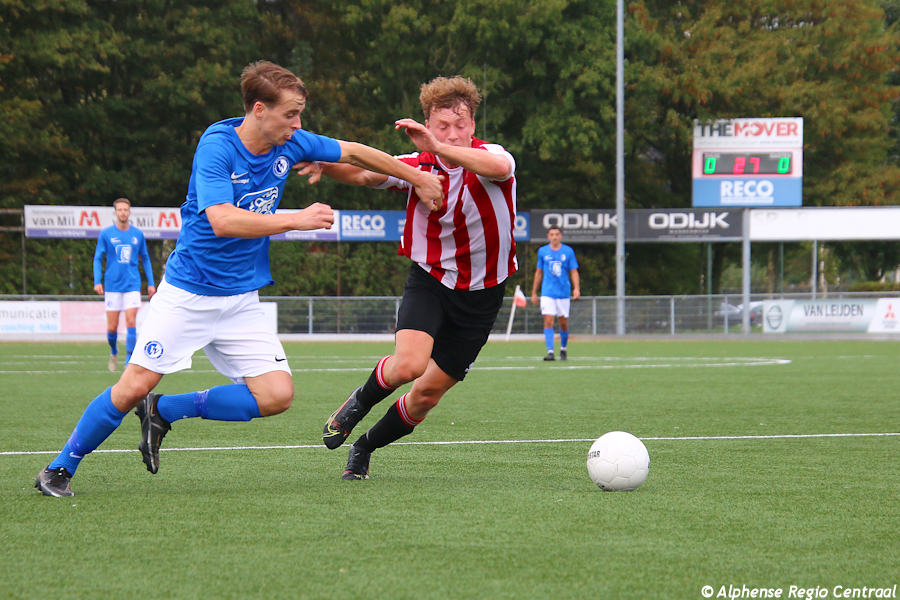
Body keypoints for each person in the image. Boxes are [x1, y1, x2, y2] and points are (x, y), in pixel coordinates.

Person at [34, 60, 443, 497]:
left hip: (241, 299)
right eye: (290, 114)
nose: (298, 125)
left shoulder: (291, 143)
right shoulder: (218, 147)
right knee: (132, 386)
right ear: (259, 109)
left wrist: (416, 176)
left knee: (276, 395)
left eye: (300, 115)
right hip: (188, 294)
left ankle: (165, 410)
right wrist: (297, 219)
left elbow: (355, 152)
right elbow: (223, 220)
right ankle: (59, 469)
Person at [316, 75, 517, 480]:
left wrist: (439, 146)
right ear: (427, 125)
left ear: (473, 125)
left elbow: (500, 167)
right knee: (409, 365)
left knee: (425, 396)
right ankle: (358, 402)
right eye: (442, 126)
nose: (453, 134)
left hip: (482, 296)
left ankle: (364, 446)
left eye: (460, 125)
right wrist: (319, 161)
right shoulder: (414, 165)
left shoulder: (493, 157)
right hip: (430, 281)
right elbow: (362, 174)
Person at [93, 197, 157, 371]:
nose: (123, 212)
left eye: (125, 210)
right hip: (113, 285)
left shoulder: (137, 234)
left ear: (129, 212)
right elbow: (98, 258)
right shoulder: (106, 234)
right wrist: (97, 280)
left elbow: (145, 259)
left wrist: (151, 283)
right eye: (120, 210)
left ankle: (129, 359)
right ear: (115, 212)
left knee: (131, 322)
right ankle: (114, 350)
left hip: (132, 284)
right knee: (112, 327)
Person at [530, 226, 579, 361]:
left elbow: (573, 271)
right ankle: (550, 351)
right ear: (548, 236)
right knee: (548, 320)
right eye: (552, 234)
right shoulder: (542, 251)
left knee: (563, 322)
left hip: (563, 292)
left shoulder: (568, 251)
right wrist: (534, 292)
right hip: (547, 292)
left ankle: (563, 349)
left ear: (560, 236)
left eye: (557, 234)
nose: (554, 237)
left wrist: (576, 288)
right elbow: (539, 272)